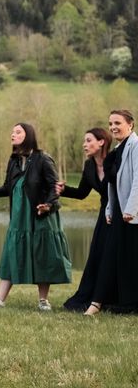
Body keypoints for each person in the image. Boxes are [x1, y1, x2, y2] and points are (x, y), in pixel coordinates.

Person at [0, 123, 71, 311]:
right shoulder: (14, 161)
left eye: (18, 132)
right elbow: (7, 188)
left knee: (43, 255)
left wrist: (48, 205)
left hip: (40, 216)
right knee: (12, 253)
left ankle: (43, 300)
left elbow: (54, 187)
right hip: (19, 217)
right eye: (12, 132)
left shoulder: (43, 159)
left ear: (29, 136)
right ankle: (0, 299)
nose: (13, 134)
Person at [83, 110, 138, 315]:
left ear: (130, 125)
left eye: (118, 122)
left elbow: (137, 180)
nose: (113, 127)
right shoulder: (118, 149)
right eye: (110, 123)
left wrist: (131, 209)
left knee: (127, 257)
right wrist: (109, 208)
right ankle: (98, 302)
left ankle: (98, 303)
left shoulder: (135, 146)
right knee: (114, 256)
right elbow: (112, 184)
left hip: (131, 213)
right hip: (118, 213)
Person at [56, 128, 111, 312]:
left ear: (101, 142)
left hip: (122, 214)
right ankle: (95, 297)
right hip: (105, 215)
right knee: (98, 255)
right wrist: (64, 190)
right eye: (84, 141)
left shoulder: (115, 161)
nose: (84, 145)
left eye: (88, 140)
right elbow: (81, 193)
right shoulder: (89, 166)